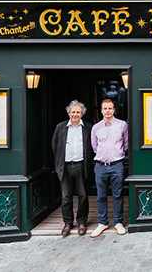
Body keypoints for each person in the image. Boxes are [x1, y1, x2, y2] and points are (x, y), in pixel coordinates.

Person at [51, 100, 94, 236]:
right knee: (66, 196)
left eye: (78, 112)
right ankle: (68, 223)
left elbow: (92, 147)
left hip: (81, 165)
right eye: (73, 112)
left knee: (83, 195)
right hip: (65, 165)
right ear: (69, 113)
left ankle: (82, 222)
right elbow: (55, 146)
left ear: (82, 114)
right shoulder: (61, 127)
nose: (75, 114)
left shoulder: (88, 127)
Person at [90, 98, 128, 237]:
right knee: (101, 196)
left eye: (110, 108)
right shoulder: (96, 128)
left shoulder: (122, 125)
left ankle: (118, 222)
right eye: (105, 108)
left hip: (117, 165)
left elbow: (126, 144)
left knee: (118, 195)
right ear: (101, 110)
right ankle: (103, 222)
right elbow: (95, 147)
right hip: (100, 166)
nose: (107, 111)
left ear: (114, 110)